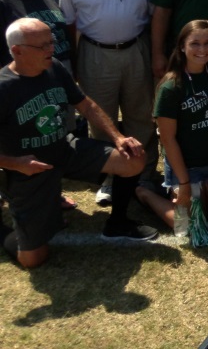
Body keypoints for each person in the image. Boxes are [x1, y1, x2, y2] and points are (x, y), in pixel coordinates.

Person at [0, 18, 156, 268]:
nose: (50, 49)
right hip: (29, 169)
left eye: (51, 42)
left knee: (133, 158)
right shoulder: (4, 87)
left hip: (65, 149)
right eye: (41, 46)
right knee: (32, 260)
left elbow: (86, 105)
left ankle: (117, 223)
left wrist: (118, 138)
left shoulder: (54, 68)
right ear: (17, 50)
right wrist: (15, 163)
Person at [59, 0, 158, 207]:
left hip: (136, 48)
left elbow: (154, 15)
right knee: (101, 121)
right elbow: (69, 23)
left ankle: (145, 175)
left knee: (140, 115)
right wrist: (76, 64)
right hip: (95, 53)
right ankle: (110, 178)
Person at [137, 20, 208, 232]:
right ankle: (146, 194)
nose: (202, 50)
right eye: (195, 43)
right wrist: (183, 183)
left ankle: (200, 195)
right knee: (189, 229)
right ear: (182, 46)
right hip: (187, 167)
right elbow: (167, 139)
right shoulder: (171, 86)